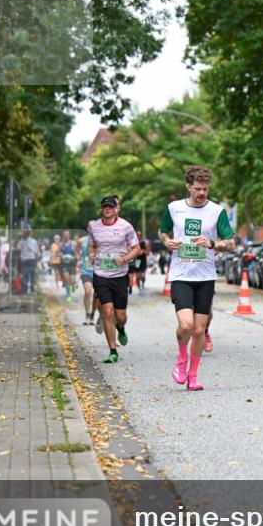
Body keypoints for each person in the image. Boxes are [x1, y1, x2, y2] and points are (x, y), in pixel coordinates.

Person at [159, 166, 236, 390]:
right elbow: (162, 232)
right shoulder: (174, 208)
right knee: (186, 325)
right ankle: (181, 362)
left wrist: (212, 244)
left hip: (205, 276)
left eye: (205, 188)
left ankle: (193, 376)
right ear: (188, 187)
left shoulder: (216, 211)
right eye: (198, 189)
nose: (202, 193)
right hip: (181, 275)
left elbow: (230, 243)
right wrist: (166, 241)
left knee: (200, 330)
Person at [87, 196, 141, 363]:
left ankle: (121, 328)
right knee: (107, 312)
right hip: (101, 274)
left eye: (110, 206)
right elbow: (92, 244)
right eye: (104, 207)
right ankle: (112, 351)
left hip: (120, 275)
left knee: (121, 315)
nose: (107, 209)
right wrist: (91, 253)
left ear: (116, 208)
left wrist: (125, 259)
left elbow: (137, 248)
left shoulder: (125, 226)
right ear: (102, 209)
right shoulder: (94, 227)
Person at [77, 233, 97, 325]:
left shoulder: (100, 239)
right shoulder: (82, 240)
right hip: (85, 270)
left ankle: (93, 314)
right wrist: (78, 259)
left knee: (97, 295)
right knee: (88, 291)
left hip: (97, 271)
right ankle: (87, 315)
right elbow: (76, 248)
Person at [19, 229, 40, 294]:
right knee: (32, 275)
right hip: (32, 259)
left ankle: (25, 291)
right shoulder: (33, 241)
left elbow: (19, 248)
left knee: (25, 275)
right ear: (30, 234)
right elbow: (36, 251)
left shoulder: (21, 241)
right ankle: (32, 290)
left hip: (25, 260)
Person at [60, 229, 77, 302]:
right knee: (66, 278)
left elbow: (77, 253)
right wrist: (61, 255)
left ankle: (73, 285)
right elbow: (58, 253)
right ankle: (68, 294)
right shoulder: (61, 244)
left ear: (69, 235)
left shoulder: (73, 243)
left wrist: (75, 257)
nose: (66, 236)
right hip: (64, 264)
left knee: (72, 281)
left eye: (67, 234)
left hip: (72, 264)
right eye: (65, 234)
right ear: (63, 235)